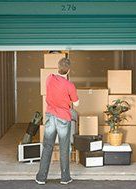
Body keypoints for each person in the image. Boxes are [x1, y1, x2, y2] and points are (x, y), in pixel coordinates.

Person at [35, 57, 79, 185]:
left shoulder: (49, 78)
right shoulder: (70, 85)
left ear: (58, 67)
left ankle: (41, 177)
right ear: (69, 70)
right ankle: (65, 178)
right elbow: (76, 103)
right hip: (63, 118)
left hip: (50, 116)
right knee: (64, 148)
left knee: (47, 146)